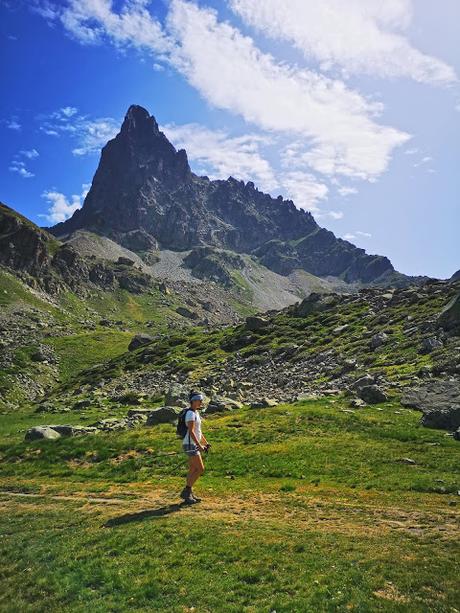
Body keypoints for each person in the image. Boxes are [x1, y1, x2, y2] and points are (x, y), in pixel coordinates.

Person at [180, 391, 209, 504]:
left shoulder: (196, 413)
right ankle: (186, 491)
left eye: (201, 400)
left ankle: (189, 494)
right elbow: (191, 431)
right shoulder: (190, 414)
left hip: (193, 443)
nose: (201, 402)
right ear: (193, 401)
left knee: (192, 469)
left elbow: (198, 432)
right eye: (199, 400)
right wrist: (198, 445)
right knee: (200, 469)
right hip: (190, 444)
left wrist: (205, 443)